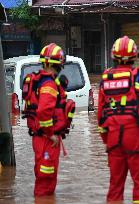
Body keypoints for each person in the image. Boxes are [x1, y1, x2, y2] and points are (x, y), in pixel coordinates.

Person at [97, 36, 139, 204]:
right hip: (137, 139)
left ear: (113, 56)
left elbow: (100, 116)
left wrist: (107, 140)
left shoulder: (106, 80)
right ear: (135, 55)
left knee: (115, 186)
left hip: (113, 139)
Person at [22, 43, 75, 196]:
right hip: (46, 138)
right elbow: (44, 111)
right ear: (59, 65)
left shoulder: (40, 81)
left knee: (45, 175)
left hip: (40, 137)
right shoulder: (49, 84)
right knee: (46, 178)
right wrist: (50, 133)